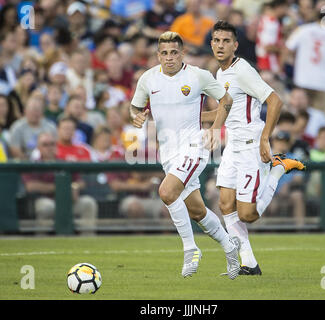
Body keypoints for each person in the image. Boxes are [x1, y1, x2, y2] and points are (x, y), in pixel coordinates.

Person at [130, 31, 241, 279]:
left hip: (194, 146)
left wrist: (214, 130)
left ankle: (191, 249)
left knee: (167, 192)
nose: (169, 58)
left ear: (183, 54)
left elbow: (226, 100)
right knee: (197, 211)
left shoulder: (198, 76)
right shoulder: (148, 79)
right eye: (164, 53)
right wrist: (135, 115)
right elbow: (135, 106)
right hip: (168, 153)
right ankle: (230, 245)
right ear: (158, 55)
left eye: (174, 53)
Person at [205, 21, 306, 275]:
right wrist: (210, 126)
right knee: (226, 205)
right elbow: (227, 107)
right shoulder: (220, 73)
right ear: (211, 44)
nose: (220, 45)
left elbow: (275, 100)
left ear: (235, 45)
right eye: (216, 40)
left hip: (251, 146)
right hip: (233, 147)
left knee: (247, 214)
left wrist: (264, 138)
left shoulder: (242, 70)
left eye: (226, 41)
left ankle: (278, 169)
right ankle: (248, 263)